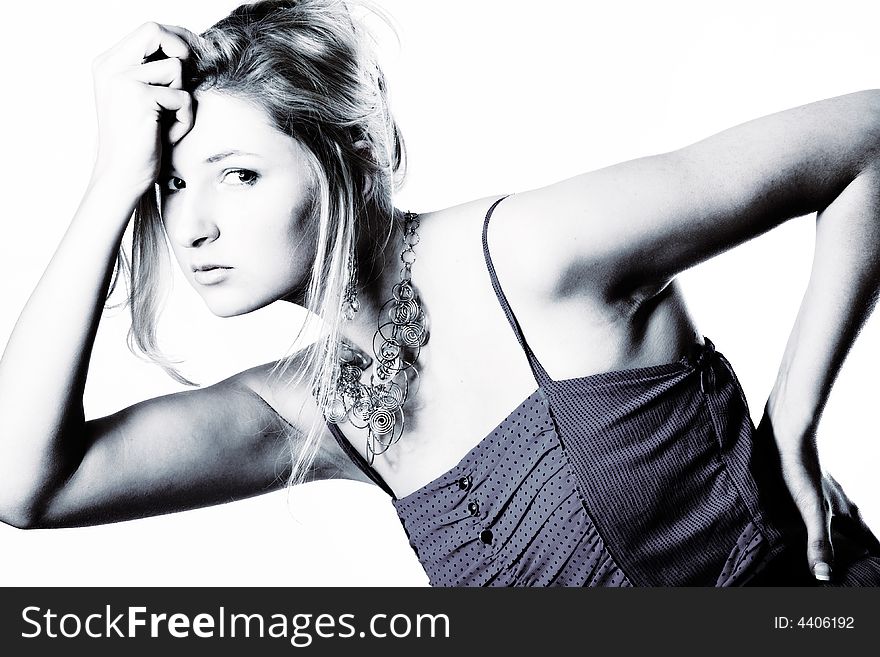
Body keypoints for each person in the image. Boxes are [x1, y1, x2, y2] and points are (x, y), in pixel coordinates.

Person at [0, 0, 879, 586]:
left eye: (236, 174)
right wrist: (114, 176)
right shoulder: (319, 408)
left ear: (345, 156)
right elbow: (26, 486)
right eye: (169, 187)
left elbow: (869, 140)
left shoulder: (530, 255)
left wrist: (795, 416)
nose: (191, 229)